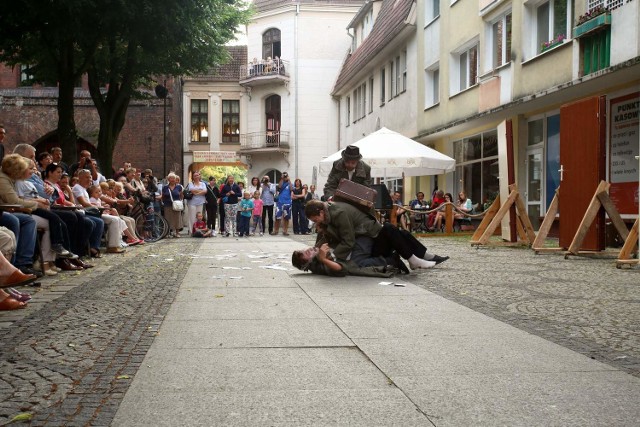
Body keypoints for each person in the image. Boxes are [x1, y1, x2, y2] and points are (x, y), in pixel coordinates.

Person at [304, 200, 448, 270]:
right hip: (367, 242)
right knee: (391, 229)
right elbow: (326, 239)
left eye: (314, 219)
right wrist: (316, 249)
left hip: (369, 235)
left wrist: (333, 256)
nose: (314, 222)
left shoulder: (338, 214)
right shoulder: (329, 215)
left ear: (321, 212)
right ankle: (417, 258)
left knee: (394, 231)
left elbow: (348, 240)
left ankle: (421, 256)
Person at [73, 169, 122, 255]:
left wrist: (101, 206)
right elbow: (84, 203)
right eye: (86, 177)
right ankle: (101, 246)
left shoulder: (84, 189)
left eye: (90, 177)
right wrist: (98, 207)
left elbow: (90, 203)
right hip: (83, 213)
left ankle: (114, 245)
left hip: (91, 212)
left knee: (116, 219)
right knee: (110, 220)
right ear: (80, 178)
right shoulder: (77, 188)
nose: (89, 179)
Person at [161, 173, 183, 238]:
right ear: (168, 179)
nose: (172, 180)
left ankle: (177, 232)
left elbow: (181, 195)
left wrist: (180, 201)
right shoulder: (165, 187)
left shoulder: (179, 187)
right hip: (167, 205)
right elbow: (163, 196)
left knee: (177, 218)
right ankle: (168, 232)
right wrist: (163, 202)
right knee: (168, 218)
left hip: (176, 205)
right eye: (171, 178)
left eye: (173, 178)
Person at [185, 172, 207, 236]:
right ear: (193, 177)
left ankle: (199, 231)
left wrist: (197, 192)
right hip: (192, 202)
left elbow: (205, 191)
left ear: (199, 176)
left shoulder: (203, 183)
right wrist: (201, 191)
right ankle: (192, 231)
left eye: (198, 175)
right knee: (192, 217)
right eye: (195, 175)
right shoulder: (190, 183)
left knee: (199, 217)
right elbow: (192, 190)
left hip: (200, 202)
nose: (197, 176)